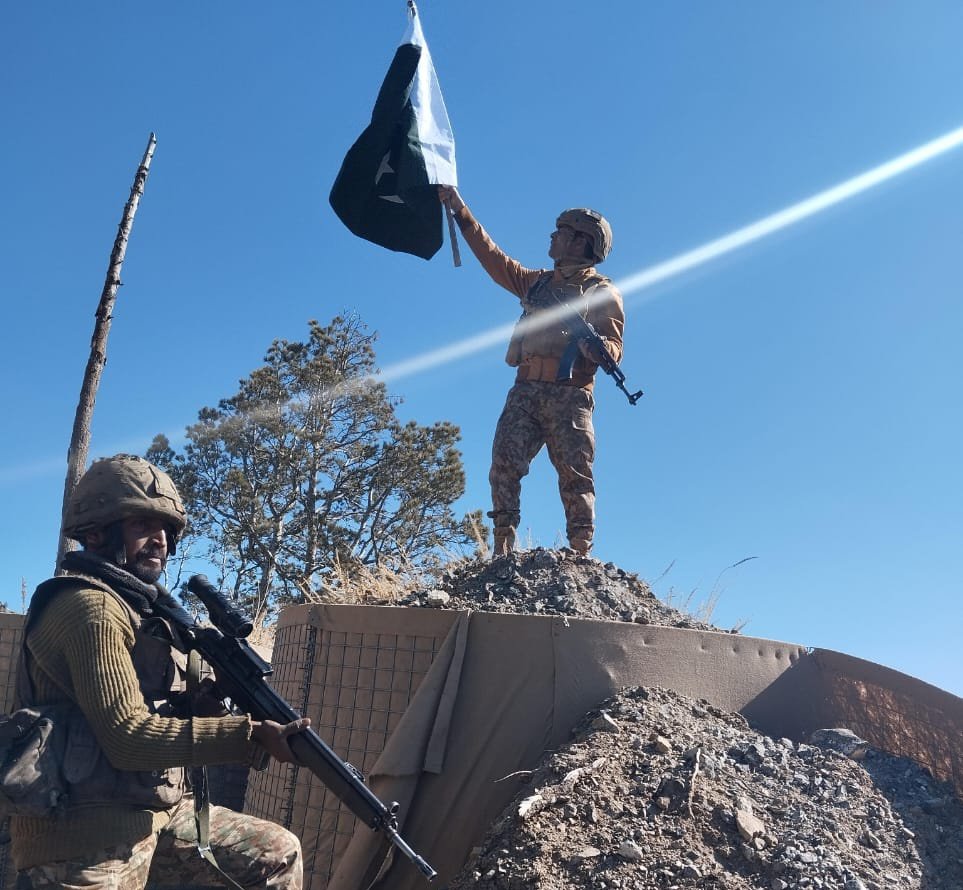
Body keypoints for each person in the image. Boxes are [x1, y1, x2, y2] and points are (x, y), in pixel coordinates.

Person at [11, 454, 308, 890]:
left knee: (276, 854)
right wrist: (248, 736)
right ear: (96, 532)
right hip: (81, 835)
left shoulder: (143, 611)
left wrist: (201, 700)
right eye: (142, 525)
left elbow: (145, 708)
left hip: (156, 811)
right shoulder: (88, 608)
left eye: (167, 530)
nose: (161, 541)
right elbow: (127, 737)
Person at [438, 186, 625, 557]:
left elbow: (614, 348)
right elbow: (494, 259)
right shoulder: (537, 283)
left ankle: (579, 551)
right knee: (503, 464)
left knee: (576, 474)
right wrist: (460, 211)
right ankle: (503, 546)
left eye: (561, 232)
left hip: (571, 394)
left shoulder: (602, 292)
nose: (553, 237)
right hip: (525, 390)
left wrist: (596, 350)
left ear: (580, 241)